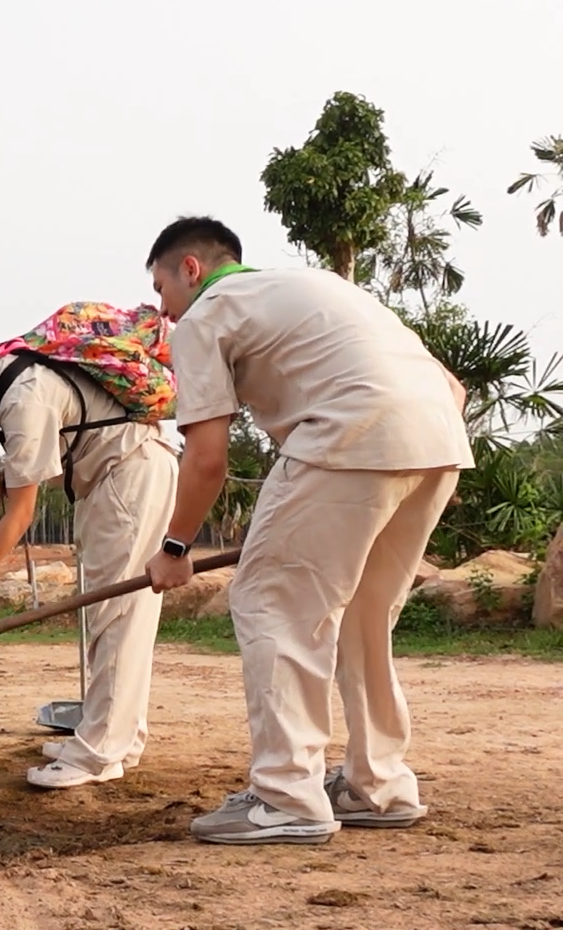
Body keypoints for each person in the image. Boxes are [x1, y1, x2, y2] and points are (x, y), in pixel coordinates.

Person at [141, 216, 472, 845]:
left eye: (161, 289)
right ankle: (378, 785)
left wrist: (176, 548)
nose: (164, 309)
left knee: (272, 602)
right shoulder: (318, 287)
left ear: (192, 269)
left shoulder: (209, 313)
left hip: (349, 435)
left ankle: (286, 794)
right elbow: (450, 388)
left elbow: (207, 459)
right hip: (437, 441)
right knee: (361, 616)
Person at [0, 313, 178, 789]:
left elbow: (20, 517)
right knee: (114, 615)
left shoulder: (21, 396)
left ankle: (99, 753)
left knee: (117, 617)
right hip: (111, 481)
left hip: (129, 476)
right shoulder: (4, 388)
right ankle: (119, 736)